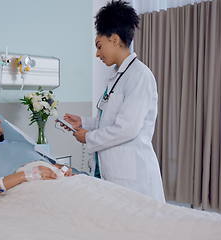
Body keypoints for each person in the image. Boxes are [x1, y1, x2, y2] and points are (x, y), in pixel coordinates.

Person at [60, 0, 165, 202]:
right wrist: (83, 122)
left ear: (115, 39)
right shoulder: (117, 77)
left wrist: (88, 137)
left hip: (133, 175)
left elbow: (127, 128)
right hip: (113, 170)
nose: (97, 53)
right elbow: (110, 118)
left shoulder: (139, 75)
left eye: (99, 46)